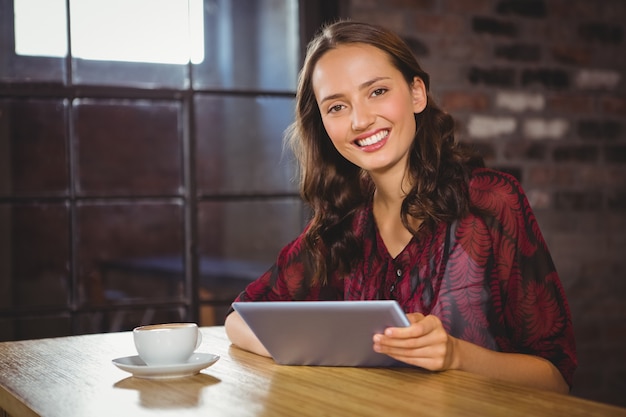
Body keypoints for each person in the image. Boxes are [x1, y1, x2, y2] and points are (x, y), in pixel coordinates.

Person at [224, 20, 577, 394]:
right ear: (324, 125)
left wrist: (456, 356)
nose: (360, 120)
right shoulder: (341, 227)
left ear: (417, 94)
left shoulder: (491, 202)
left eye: (376, 91)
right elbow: (238, 320)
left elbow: (554, 379)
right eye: (337, 106)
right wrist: (314, 354)